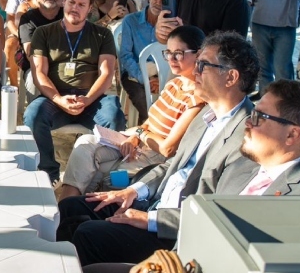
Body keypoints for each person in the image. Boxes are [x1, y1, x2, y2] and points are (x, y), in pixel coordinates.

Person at [55, 31, 258, 265]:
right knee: (71, 208)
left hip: (173, 233)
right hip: (153, 202)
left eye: (203, 65)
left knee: (88, 235)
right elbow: (173, 164)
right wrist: (133, 191)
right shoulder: (207, 114)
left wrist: (150, 219)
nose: (196, 71)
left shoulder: (247, 137)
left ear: (230, 77)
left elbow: (215, 215)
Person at [56, 25, 206, 201]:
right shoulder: (174, 84)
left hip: (155, 157)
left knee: (103, 175)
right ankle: (66, 208)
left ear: (198, 54)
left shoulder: (198, 97)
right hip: (140, 143)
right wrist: (135, 137)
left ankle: (72, 212)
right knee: (85, 144)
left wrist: (140, 133)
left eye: (178, 53)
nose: (171, 59)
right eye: (168, 53)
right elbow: (150, 122)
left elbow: (168, 149)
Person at [24, 0, 125, 183]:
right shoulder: (44, 33)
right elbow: (39, 73)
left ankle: (102, 174)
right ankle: (48, 172)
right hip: (55, 98)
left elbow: (106, 73)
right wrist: (59, 99)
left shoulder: (102, 34)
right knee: (32, 116)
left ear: (90, 9)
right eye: (71, 2)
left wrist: (87, 99)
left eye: (81, 5)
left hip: (91, 99)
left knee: (114, 116)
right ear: (64, 1)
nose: (74, 8)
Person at [117, 0, 167, 125]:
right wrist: (144, 78)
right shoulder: (131, 21)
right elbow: (125, 55)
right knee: (142, 97)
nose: (159, 2)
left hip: (162, 73)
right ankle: (149, 129)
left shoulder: (171, 22)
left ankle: (150, 130)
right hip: (135, 73)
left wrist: (161, 79)